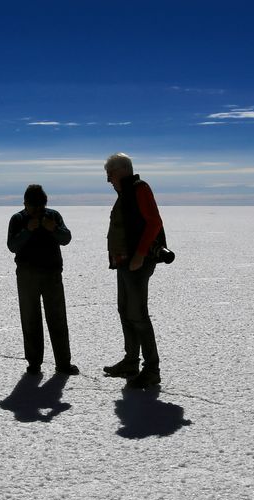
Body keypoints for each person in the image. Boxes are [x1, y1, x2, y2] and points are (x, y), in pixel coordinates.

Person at [103, 153, 166, 389]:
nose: (108, 180)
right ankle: (131, 362)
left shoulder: (139, 189)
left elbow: (154, 222)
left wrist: (140, 255)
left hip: (136, 263)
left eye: (110, 174)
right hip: (124, 262)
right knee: (125, 311)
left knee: (138, 315)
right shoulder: (125, 194)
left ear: (121, 171)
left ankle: (152, 369)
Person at [6, 184, 79, 376]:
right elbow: (12, 245)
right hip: (27, 277)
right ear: (25, 204)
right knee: (30, 319)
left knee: (57, 319)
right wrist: (27, 230)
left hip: (51, 275)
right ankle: (34, 363)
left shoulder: (53, 216)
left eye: (40, 207)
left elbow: (66, 238)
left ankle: (63, 363)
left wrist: (53, 228)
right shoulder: (18, 219)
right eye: (33, 207)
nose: (37, 211)